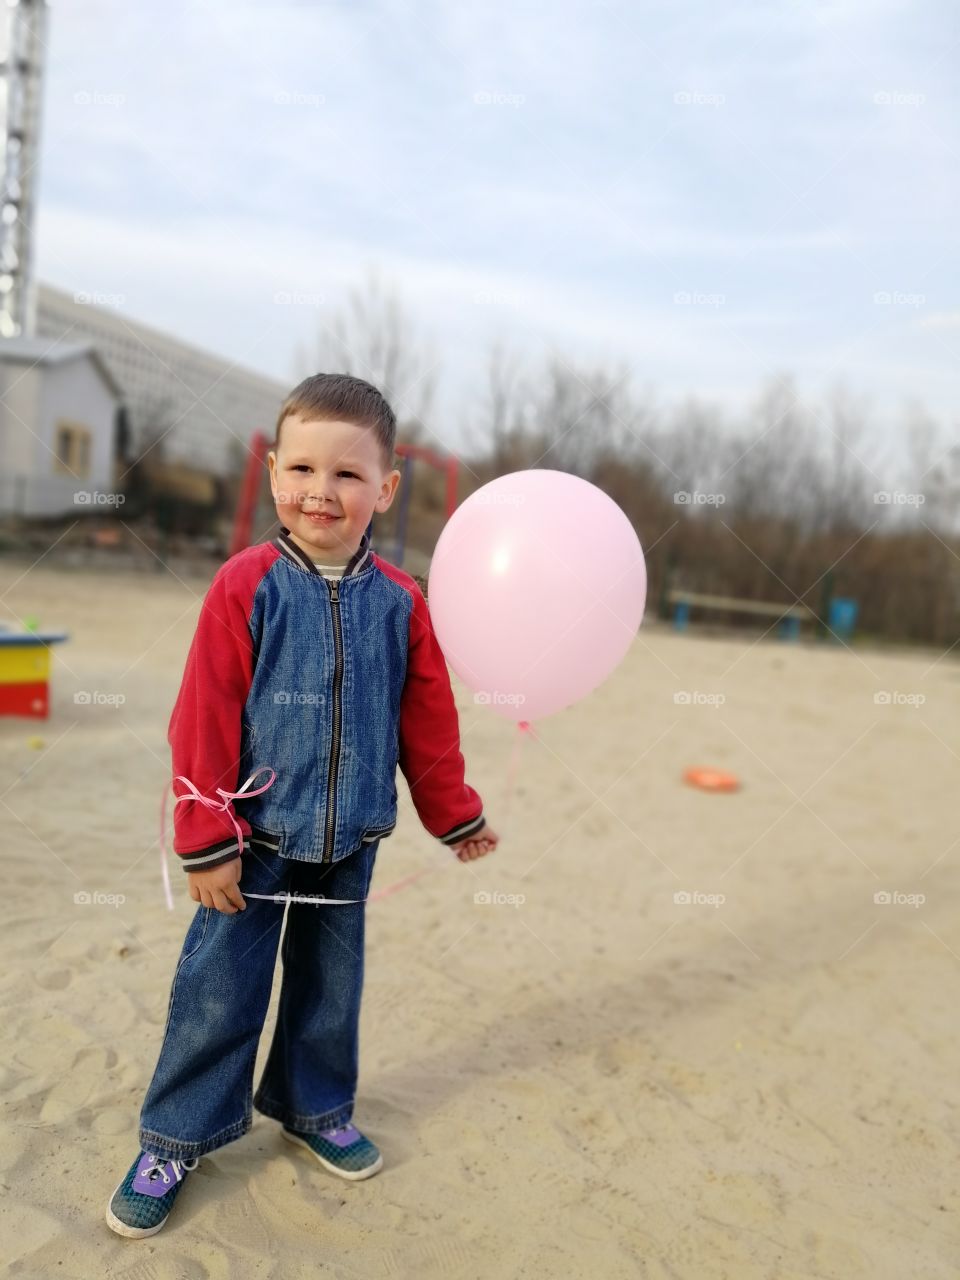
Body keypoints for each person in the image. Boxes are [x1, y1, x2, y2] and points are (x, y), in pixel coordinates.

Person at [106, 373, 499, 1238]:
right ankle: (175, 1137)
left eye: (349, 475)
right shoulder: (246, 587)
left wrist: (455, 813)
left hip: (351, 838)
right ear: (275, 471)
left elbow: (427, 722)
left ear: (386, 490)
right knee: (219, 992)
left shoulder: (400, 603)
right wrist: (208, 838)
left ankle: (316, 1109)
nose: (323, 491)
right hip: (253, 843)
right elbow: (202, 718)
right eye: (304, 469)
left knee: (330, 990)